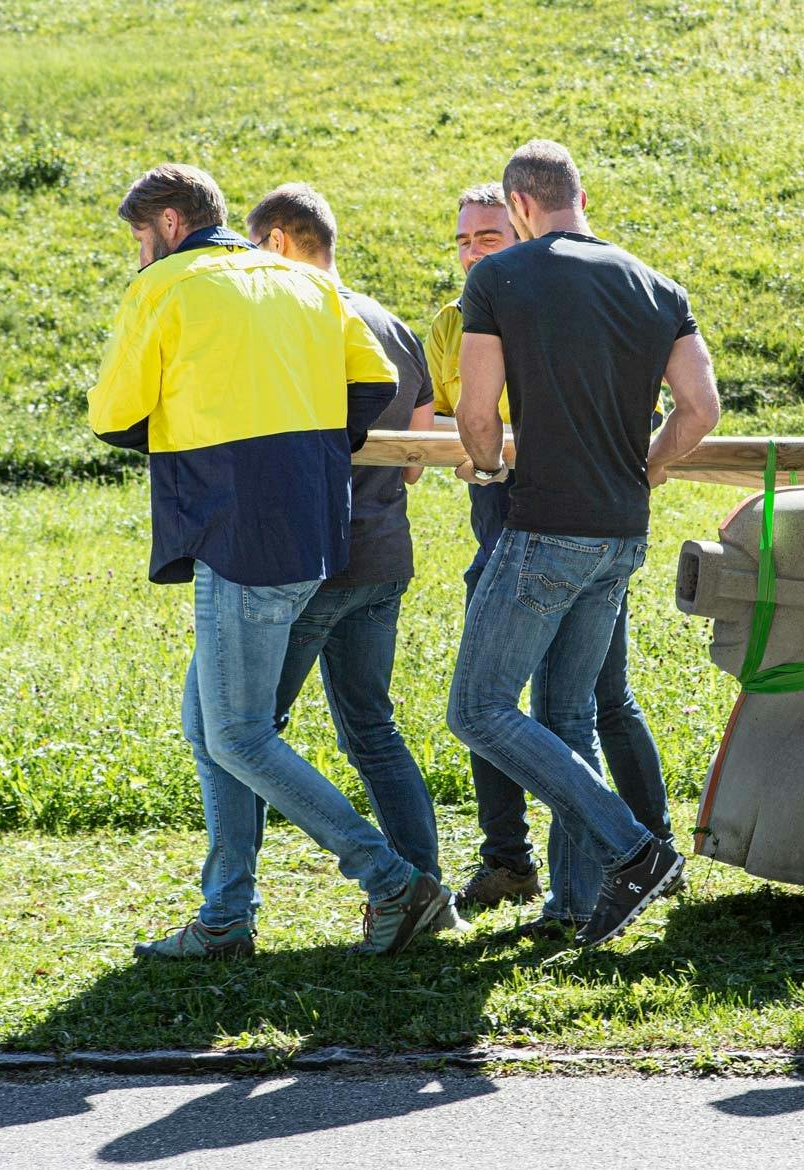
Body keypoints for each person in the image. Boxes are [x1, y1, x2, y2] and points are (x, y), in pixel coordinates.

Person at [89, 163, 452, 960]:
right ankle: (226, 915)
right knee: (209, 722)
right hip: (319, 531)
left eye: (138, 240)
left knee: (241, 736)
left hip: (237, 531)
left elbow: (114, 415)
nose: (137, 256)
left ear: (172, 227)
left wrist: (204, 430)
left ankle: (393, 881)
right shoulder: (303, 282)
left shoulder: (167, 287)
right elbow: (374, 385)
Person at [446, 140, 720, 946]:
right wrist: (647, 466)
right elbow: (701, 408)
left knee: (479, 709)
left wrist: (491, 468)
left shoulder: (495, 278)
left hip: (542, 527)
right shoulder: (657, 286)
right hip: (621, 532)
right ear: (580, 196)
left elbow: (476, 413)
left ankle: (635, 849)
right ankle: (569, 910)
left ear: (518, 205)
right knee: (568, 716)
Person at [243, 182, 450, 909]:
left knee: (247, 732)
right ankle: (430, 888)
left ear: (276, 241)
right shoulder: (392, 325)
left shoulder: (297, 320)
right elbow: (420, 455)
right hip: (386, 553)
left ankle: (234, 902)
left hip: (314, 562)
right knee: (372, 728)